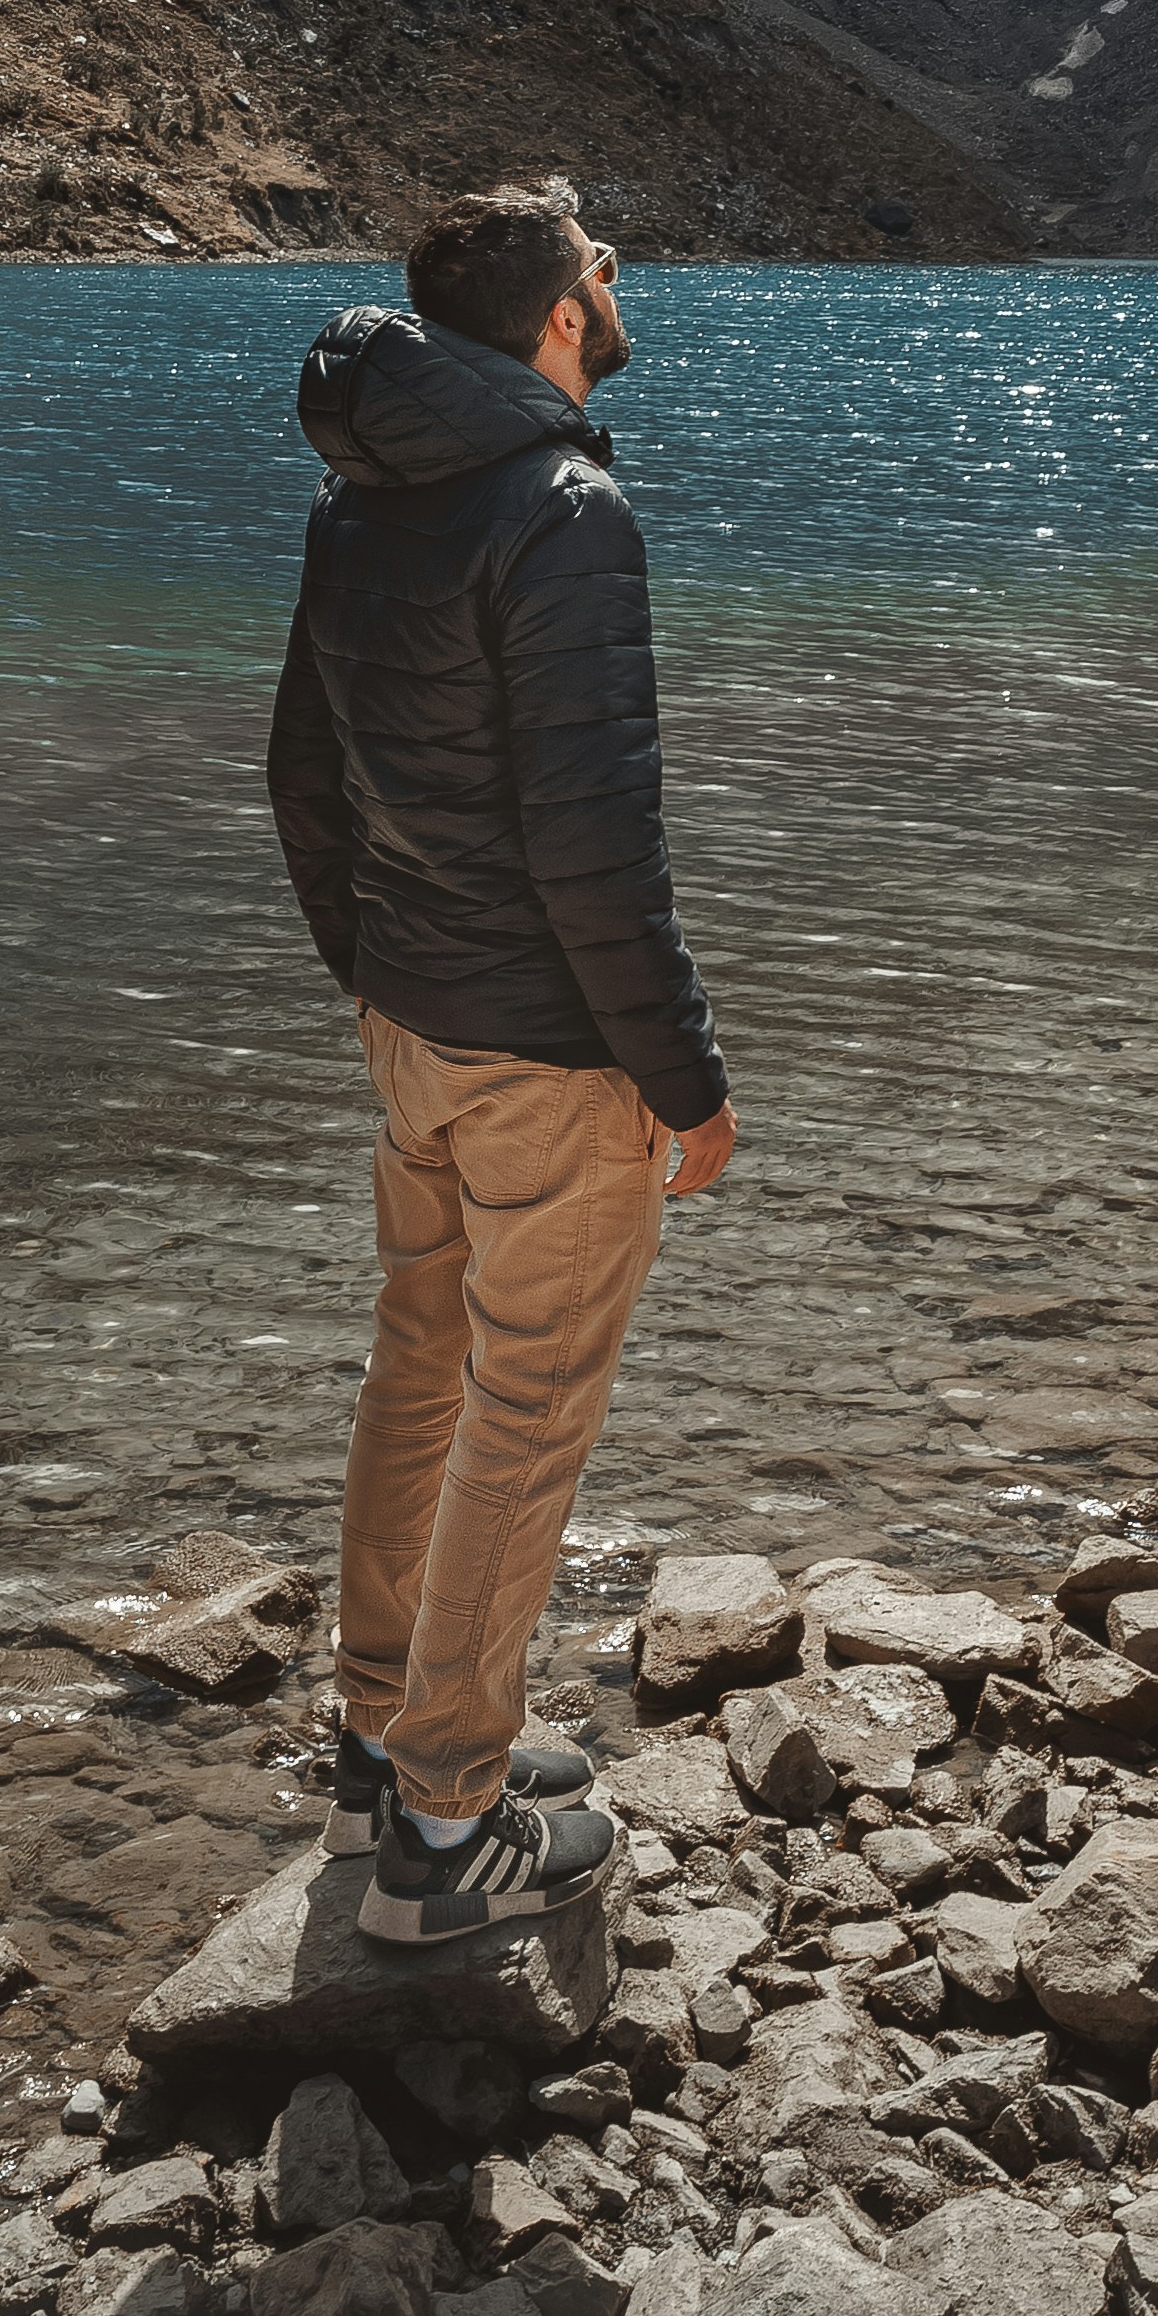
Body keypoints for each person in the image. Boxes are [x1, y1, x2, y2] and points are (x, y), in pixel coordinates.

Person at [266, 177, 736, 1949]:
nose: (622, 290)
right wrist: (679, 1078)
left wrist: (381, 979)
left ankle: (381, 1726)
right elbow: (595, 844)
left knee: (422, 1372)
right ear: (555, 317)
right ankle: (444, 1827)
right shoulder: (563, 509)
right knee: (525, 1413)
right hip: (542, 1047)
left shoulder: (361, 492)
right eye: (605, 270)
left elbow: (302, 779)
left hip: (413, 1022)